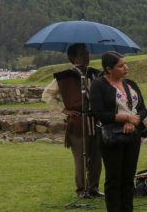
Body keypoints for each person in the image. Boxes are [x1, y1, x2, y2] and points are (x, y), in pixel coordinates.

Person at [89, 52, 147, 212]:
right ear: (109, 69)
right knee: (114, 178)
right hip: (112, 137)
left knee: (128, 178)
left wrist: (133, 121)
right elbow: (99, 113)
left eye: (125, 64)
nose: (126, 68)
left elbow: (142, 109)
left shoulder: (131, 84)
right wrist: (124, 118)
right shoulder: (99, 85)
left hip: (132, 136)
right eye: (121, 65)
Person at [41, 43, 102, 198]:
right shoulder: (64, 77)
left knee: (96, 157)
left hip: (95, 120)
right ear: (74, 57)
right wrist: (63, 110)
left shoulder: (95, 74)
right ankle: (82, 189)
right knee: (80, 158)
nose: (87, 56)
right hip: (77, 122)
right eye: (82, 53)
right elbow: (47, 95)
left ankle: (93, 188)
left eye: (87, 53)